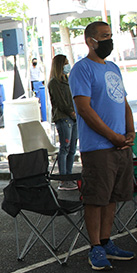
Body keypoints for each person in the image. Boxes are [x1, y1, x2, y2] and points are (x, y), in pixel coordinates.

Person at [69, 20, 136, 270]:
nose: (108, 40)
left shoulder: (114, 68)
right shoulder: (82, 69)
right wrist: (112, 135)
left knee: (112, 197)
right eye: (103, 37)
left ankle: (107, 242)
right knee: (96, 197)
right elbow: (84, 109)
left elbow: (124, 103)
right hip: (98, 147)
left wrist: (129, 132)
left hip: (120, 145)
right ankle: (95, 247)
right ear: (90, 41)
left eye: (110, 35)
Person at [48, 54, 79, 190]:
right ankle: (63, 179)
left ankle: (69, 176)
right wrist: (72, 113)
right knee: (65, 149)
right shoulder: (54, 82)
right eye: (65, 63)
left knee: (72, 149)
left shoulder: (67, 79)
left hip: (73, 117)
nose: (68, 66)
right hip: (64, 118)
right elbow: (61, 102)